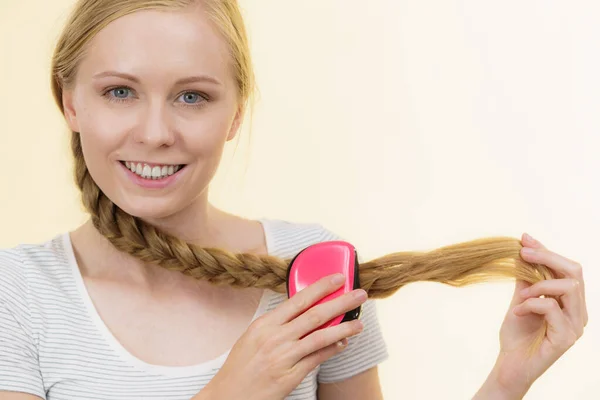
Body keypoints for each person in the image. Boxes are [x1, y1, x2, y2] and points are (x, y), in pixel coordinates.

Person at [0, 1, 587, 399]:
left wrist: (507, 382)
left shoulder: (316, 268)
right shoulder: (17, 292)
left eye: (192, 97)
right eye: (120, 91)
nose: (155, 132)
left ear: (235, 113)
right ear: (69, 101)